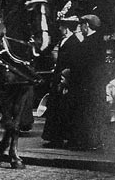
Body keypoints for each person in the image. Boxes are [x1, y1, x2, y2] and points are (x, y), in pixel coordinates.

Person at [42, 16, 81, 146]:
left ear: (67, 28)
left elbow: (71, 63)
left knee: (62, 110)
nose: (59, 29)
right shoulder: (64, 41)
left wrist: (65, 80)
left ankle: (60, 138)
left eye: (62, 26)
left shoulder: (74, 42)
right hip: (58, 77)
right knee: (55, 108)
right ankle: (55, 138)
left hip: (63, 79)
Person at [69, 14, 105, 150]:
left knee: (86, 114)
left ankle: (86, 142)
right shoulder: (96, 41)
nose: (80, 28)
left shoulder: (90, 42)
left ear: (87, 25)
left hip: (87, 85)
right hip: (89, 85)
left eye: (81, 25)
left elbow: (81, 63)